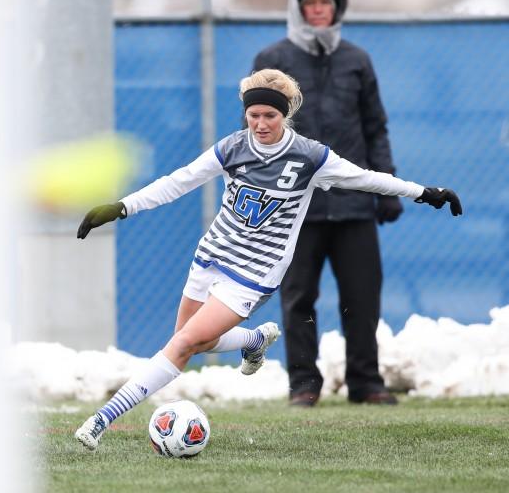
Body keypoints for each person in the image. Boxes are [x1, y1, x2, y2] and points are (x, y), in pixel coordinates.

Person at [72, 68, 461, 451]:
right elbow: (179, 181)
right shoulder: (231, 148)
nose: (260, 124)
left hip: (255, 270)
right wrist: (122, 207)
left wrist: (426, 192)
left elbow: (367, 178)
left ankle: (100, 420)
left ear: (285, 114)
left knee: (185, 342)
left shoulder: (311, 156)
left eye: (269, 116)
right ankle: (254, 340)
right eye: (253, 115)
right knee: (190, 342)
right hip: (213, 253)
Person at [252, 0, 403, 407]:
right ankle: (304, 384)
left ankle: (366, 382)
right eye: (310, 2)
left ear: (338, 8)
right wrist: (264, 194)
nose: (318, 9)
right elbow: (256, 132)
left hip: (354, 205)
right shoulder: (272, 60)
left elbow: (375, 128)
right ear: (296, 8)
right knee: (299, 298)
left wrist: (386, 188)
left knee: (362, 296)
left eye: (327, 2)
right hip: (294, 208)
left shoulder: (358, 60)